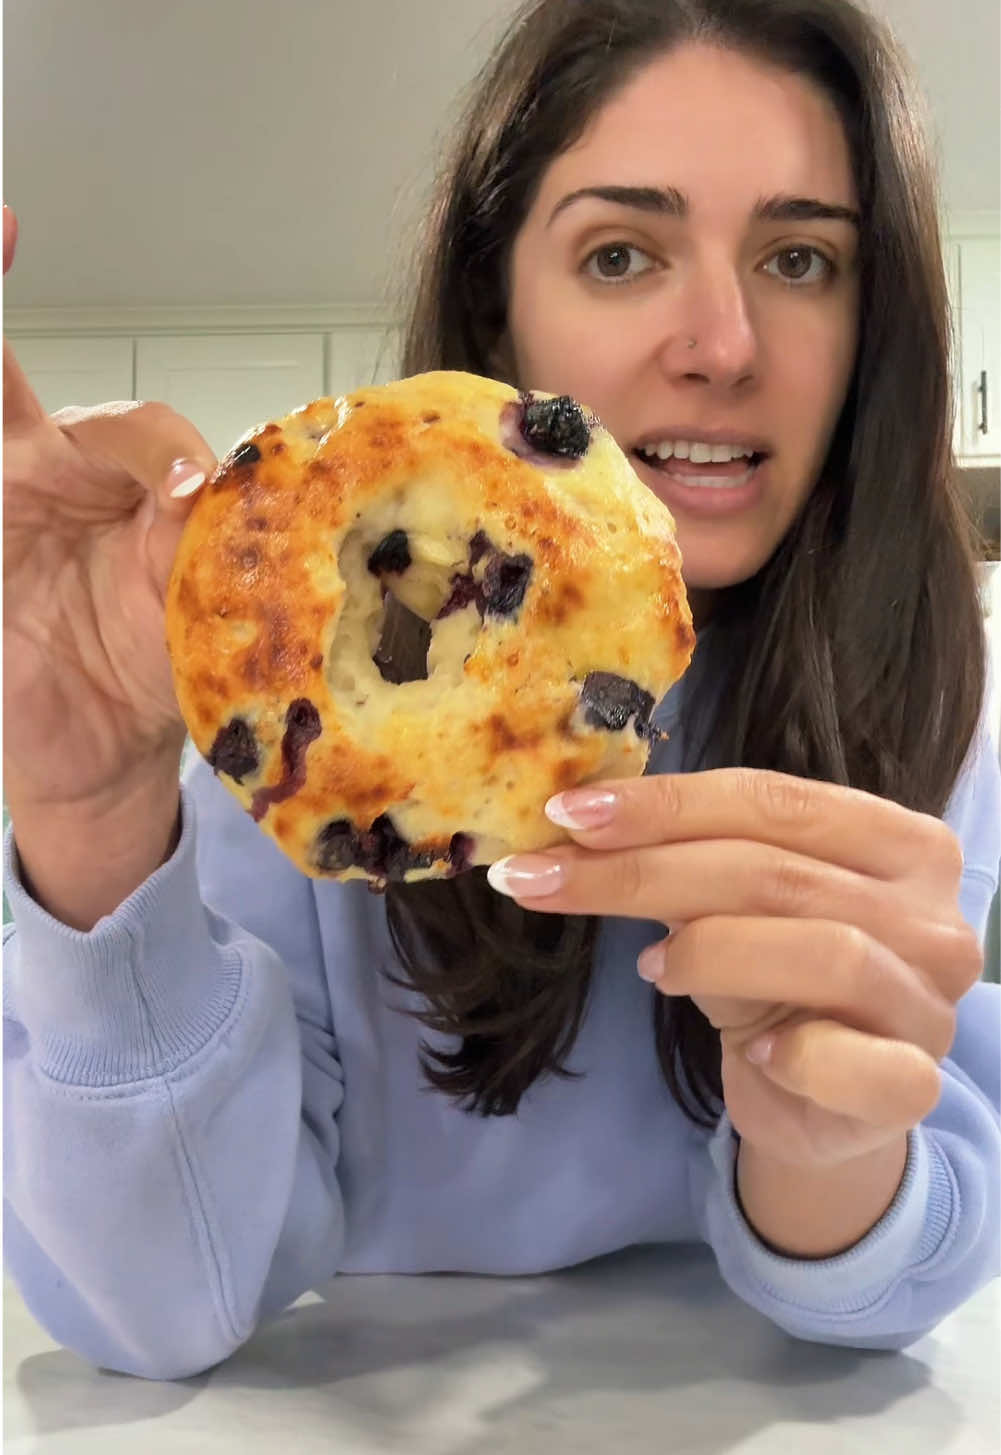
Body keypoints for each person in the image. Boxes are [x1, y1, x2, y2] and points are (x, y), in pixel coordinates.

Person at [4, 0, 999, 1383]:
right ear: (493, 315)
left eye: (796, 257)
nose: (721, 342)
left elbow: (898, 1285)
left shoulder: (924, 707)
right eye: (618, 253)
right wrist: (87, 809)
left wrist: (819, 1134)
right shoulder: (312, 744)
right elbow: (161, 1310)